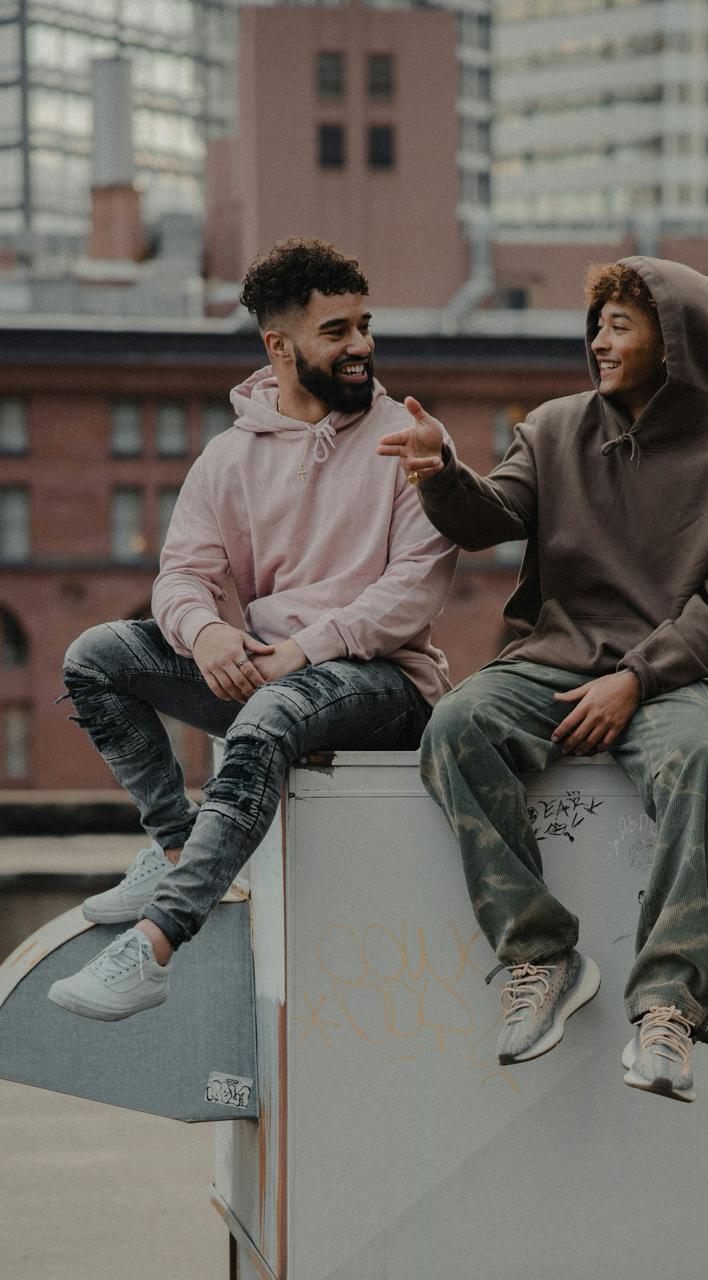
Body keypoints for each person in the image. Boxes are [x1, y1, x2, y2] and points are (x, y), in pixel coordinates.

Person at [378, 256, 708, 1102]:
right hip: (554, 661)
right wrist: (439, 473)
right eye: (595, 323)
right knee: (456, 727)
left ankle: (667, 1008)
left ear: (676, 344)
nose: (598, 340)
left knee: (698, 766)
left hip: (676, 679)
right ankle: (540, 957)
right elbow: (491, 518)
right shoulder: (556, 427)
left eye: (620, 325)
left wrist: (634, 679)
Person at [49, 237, 457, 1022]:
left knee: (267, 715)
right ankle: (174, 848)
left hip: (384, 685)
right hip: (275, 672)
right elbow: (180, 575)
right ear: (279, 346)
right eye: (336, 331)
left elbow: (416, 589)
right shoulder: (228, 458)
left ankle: (157, 943)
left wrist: (305, 648)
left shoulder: (409, 437)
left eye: (364, 326)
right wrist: (203, 632)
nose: (361, 346)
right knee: (94, 657)